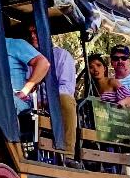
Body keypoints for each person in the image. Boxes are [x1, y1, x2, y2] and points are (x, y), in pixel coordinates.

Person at [30, 23, 76, 152]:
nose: (33, 36)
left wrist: (46, 100)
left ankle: (67, 152)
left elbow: (66, 87)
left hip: (55, 102)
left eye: (36, 32)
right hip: (33, 102)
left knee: (66, 100)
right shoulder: (27, 57)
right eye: (31, 33)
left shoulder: (62, 55)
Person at [4, 19, 51, 139]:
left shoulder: (14, 44)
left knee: (3, 104)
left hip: (16, 100)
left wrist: (25, 91)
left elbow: (43, 63)